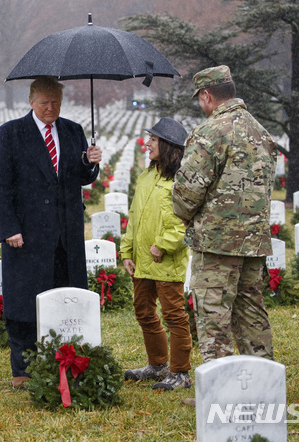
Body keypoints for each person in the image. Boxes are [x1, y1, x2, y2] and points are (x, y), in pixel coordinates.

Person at [0, 76, 102, 389]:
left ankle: (67, 361)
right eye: (44, 103)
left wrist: (90, 163)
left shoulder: (72, 130)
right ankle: (23, 371)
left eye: (55, 102)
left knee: (67, 297)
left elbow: (80, 177)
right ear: (31, 101)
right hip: (26, 234)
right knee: (24, 301)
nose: (50, 108)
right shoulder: (10, 134)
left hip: (66, 233)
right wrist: (9, 227)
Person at [172, 65, 276, 364]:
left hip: (216, 242)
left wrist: (185, 214)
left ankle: (221, 392)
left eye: (200, 98)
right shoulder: (259, 130)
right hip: (253, 241)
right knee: (251, 312)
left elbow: (188, 190)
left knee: (213, 315)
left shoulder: (211, 131)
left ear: (207, 95)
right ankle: (262, 382)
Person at [121, 118, 192, 391]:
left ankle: (181, 373)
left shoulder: (181, 181)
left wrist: (163, 245)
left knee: (174, 315)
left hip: (166, 260)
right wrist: (127, 251)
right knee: (143, 311)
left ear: (168, 145)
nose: (146, 143)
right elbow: (135, 216)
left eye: (152, 139)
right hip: (142, 260)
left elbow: (185, 222)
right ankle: (158, 364)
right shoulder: (146, 176)